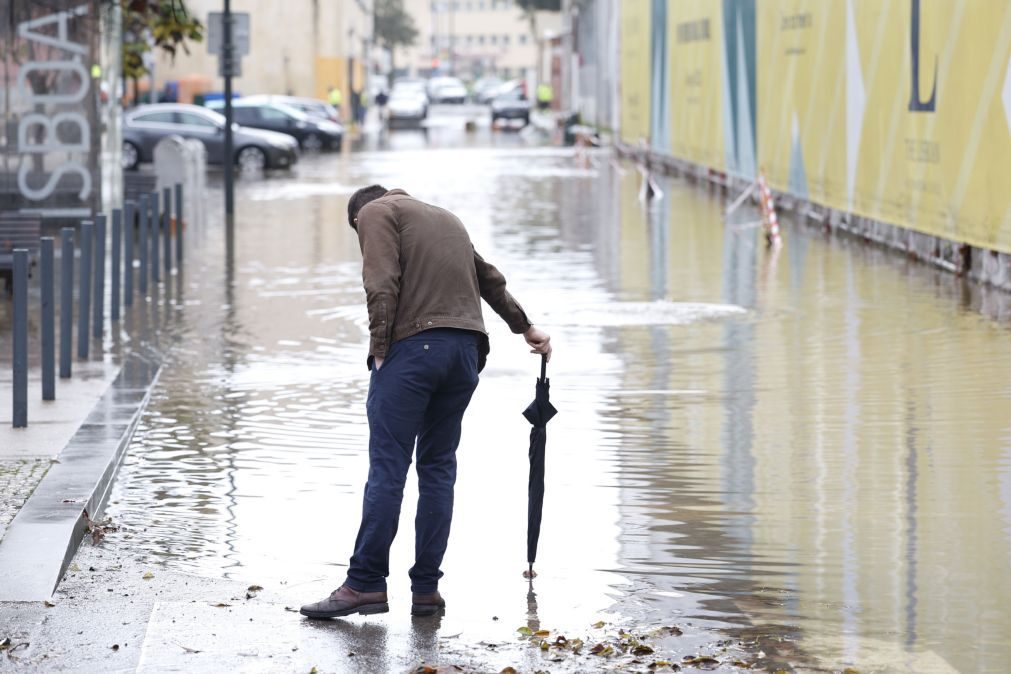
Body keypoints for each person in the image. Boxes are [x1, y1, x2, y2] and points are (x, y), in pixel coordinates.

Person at [300, 186, 552, 619]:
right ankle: (426, 589)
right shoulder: (445, 217)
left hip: (415, 351)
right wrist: (526, 328)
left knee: (389, 467)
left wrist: (380, 348)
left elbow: (380, 282)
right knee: (437, 468)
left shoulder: (375, 213)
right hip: (465, 354)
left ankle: (364, 585)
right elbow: (489, 278)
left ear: (359, 219)